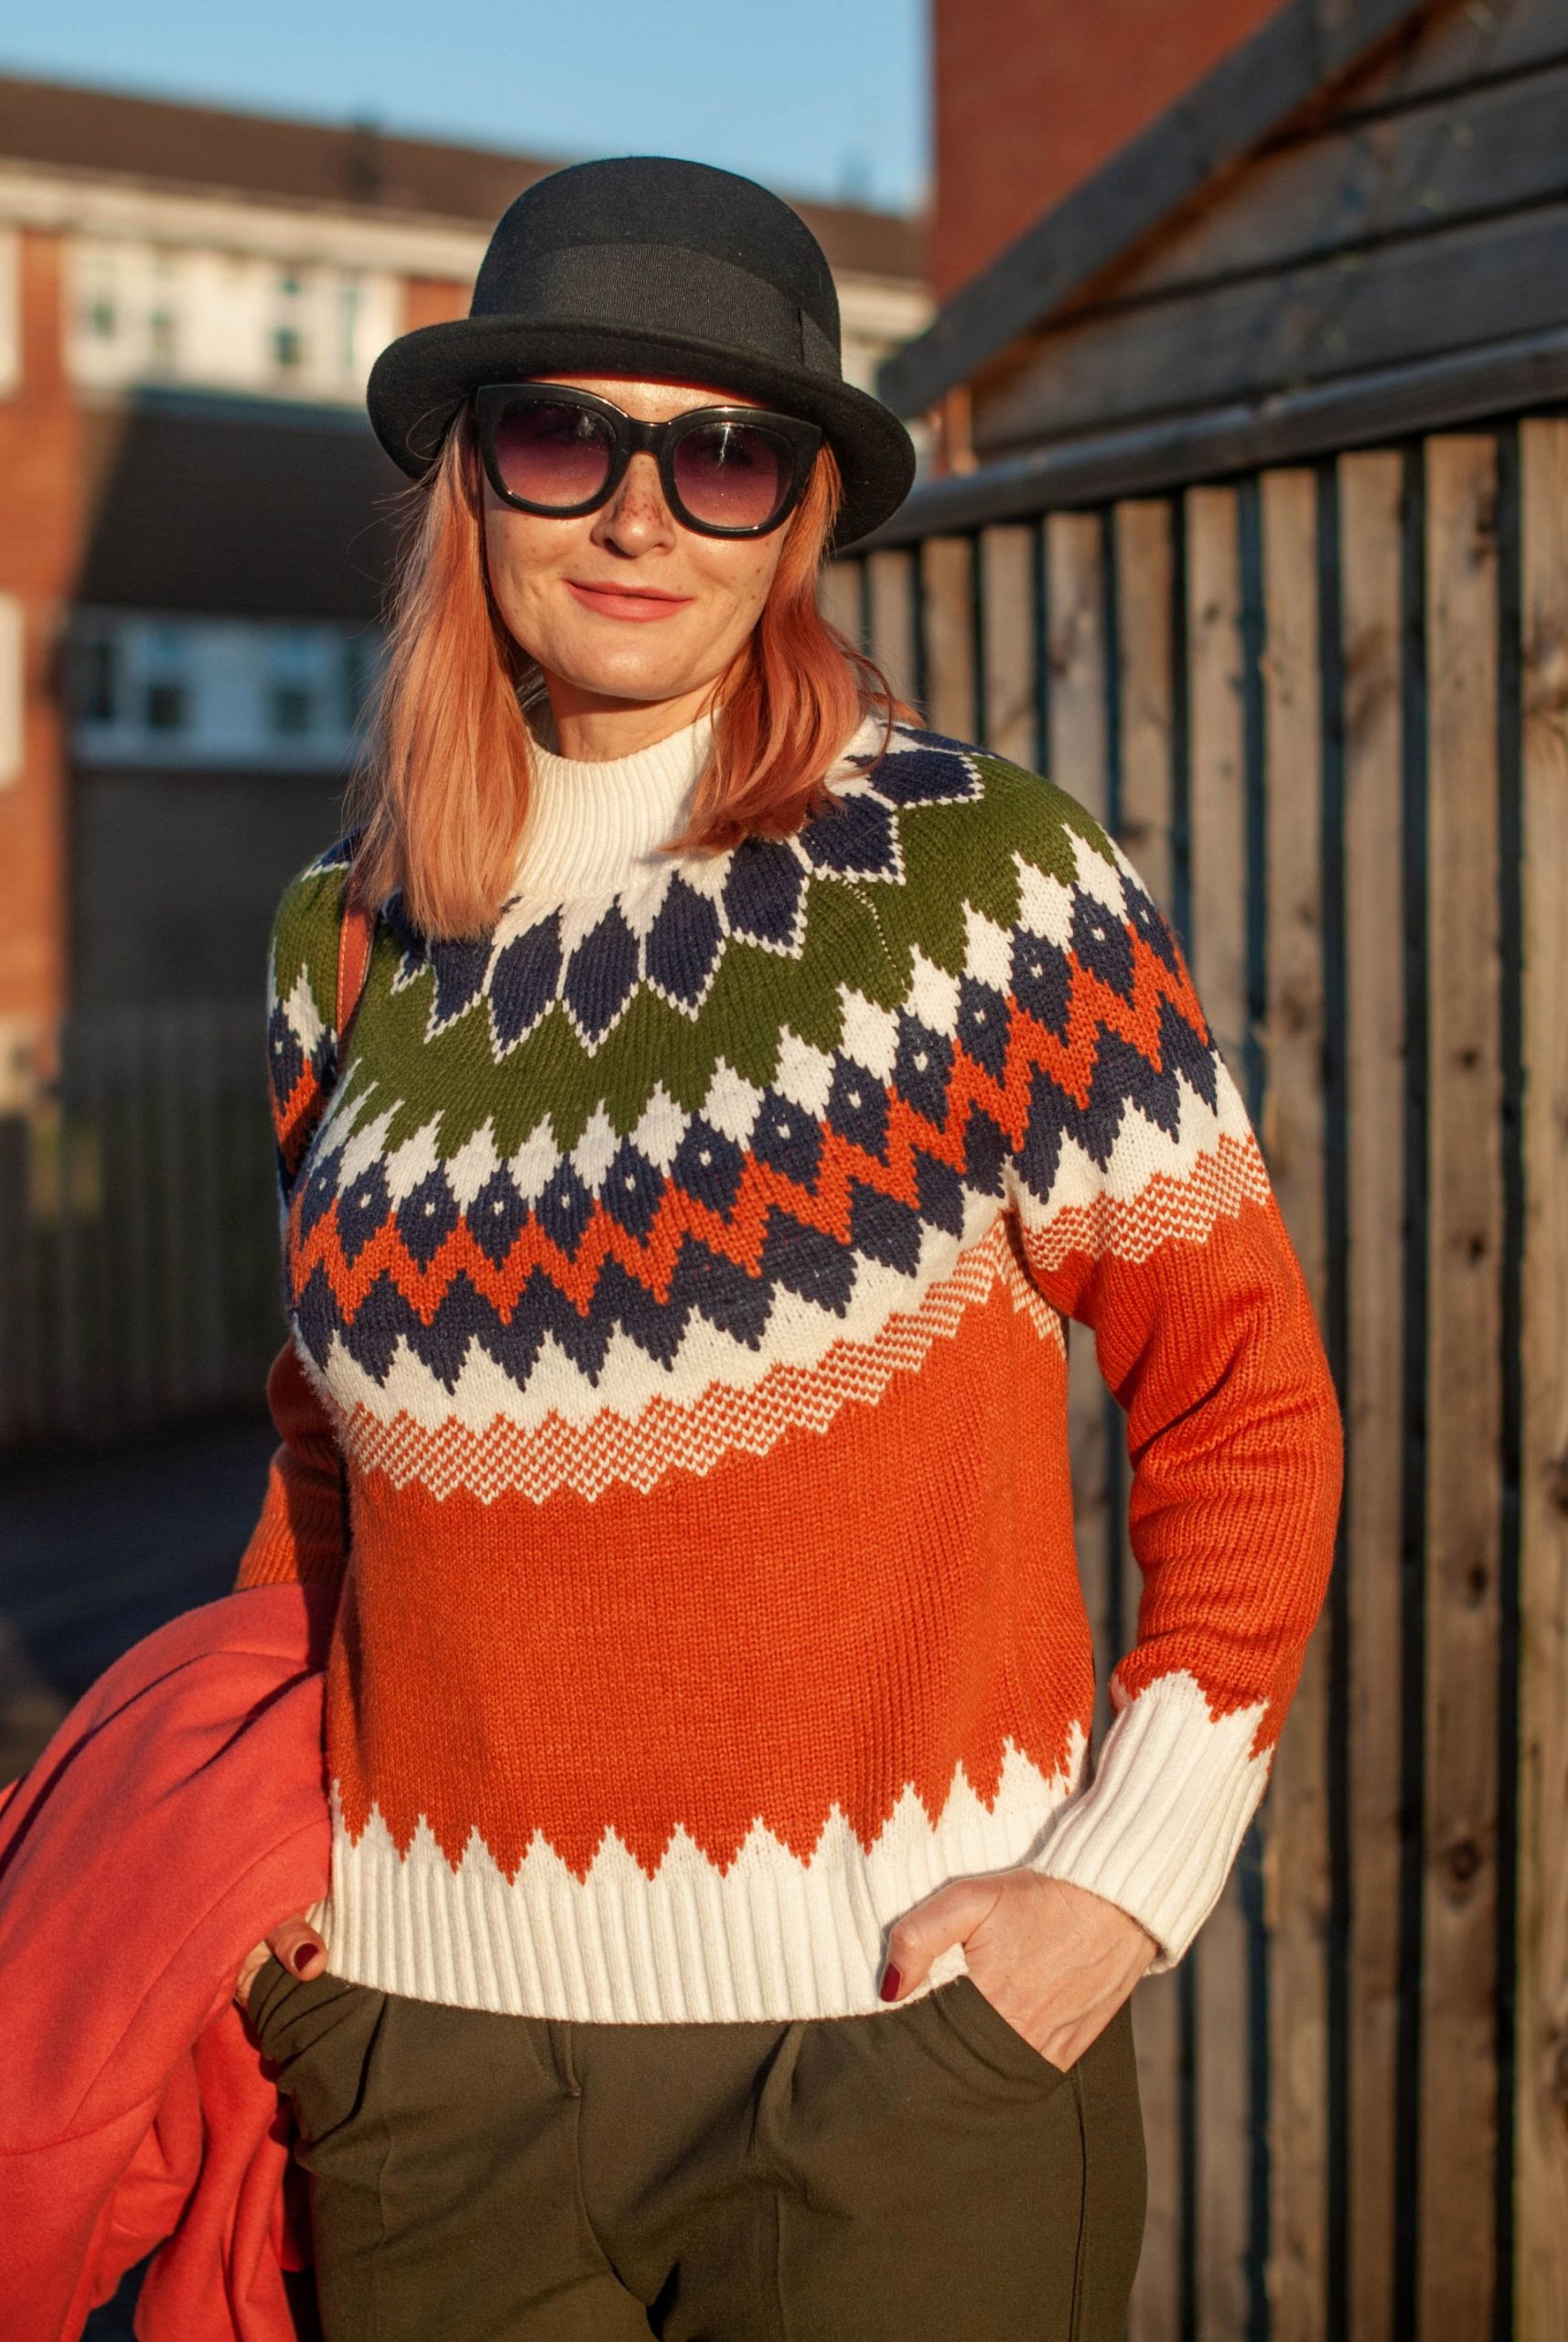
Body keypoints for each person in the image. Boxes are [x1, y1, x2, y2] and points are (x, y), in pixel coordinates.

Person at [230, 156, 1343, 2340]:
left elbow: (1243, 1412)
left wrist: (1109, 1897)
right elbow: (325, 1465)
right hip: (418, 2073)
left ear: (794, 517)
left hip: (885, 2065)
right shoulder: (338, 945)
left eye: (722, 454)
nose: (641, 515)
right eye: (568, 438)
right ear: (472, 485)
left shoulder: (979, 890)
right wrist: (277, 1886)